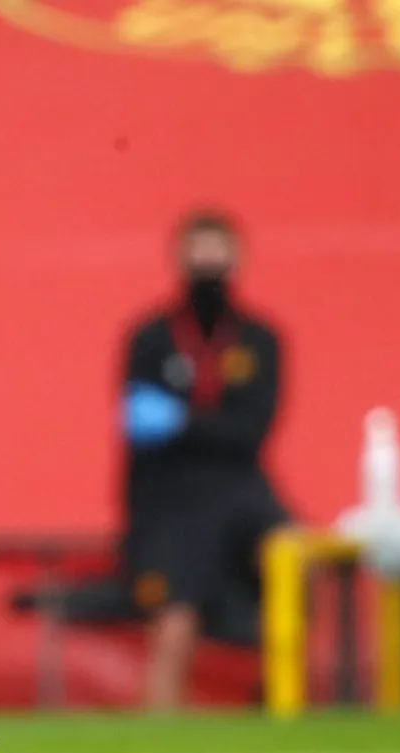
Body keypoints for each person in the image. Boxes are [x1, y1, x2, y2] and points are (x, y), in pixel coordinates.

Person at [122, 211, 288, 711]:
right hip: (173, 500)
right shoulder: (151, 338)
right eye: (199, 252)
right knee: (175, 620)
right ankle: (158, 742)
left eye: (218, 253)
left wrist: (182, 421)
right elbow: (140, 432)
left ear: (237, 259)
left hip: (242, 492)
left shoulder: (261, 340)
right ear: (180, 258)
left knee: (291, 567)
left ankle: (284, 708)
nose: (208, 264)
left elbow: (250, 434)